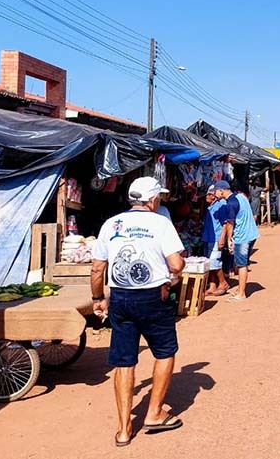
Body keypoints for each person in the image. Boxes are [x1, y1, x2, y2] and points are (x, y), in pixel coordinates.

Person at [90, 176, 185, 447]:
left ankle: (123, 429)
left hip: (120, 298)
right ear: (153, 200)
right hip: (154, 297)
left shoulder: (111, 223)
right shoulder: (161, 223)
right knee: (165, 352)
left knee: (124, 361)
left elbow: (97, 267)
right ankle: (154, 413)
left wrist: (98, 298)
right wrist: (172, 270)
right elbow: (176, 264)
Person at [213, 180, 259, 301]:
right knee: (242, 263)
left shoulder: (231, 203)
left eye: (215, 191)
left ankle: (241, 294)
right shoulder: (240, 196)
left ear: (221, 191)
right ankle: (240, 289)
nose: (214, 194)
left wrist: (229, 239)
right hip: (251, 233)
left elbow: (230, 223)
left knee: (241, 265)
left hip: (242, 237)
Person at [202, 185, 230, 296]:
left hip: (216, 238)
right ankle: (213, 285)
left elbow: (225, 223)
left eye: (208, 194)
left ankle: (223, 283)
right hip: (208, 237)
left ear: (213, 195)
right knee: (210, 262)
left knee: (214, 261)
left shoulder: (221, 205)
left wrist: (222, 238)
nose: (206, 197)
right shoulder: (210, 206)